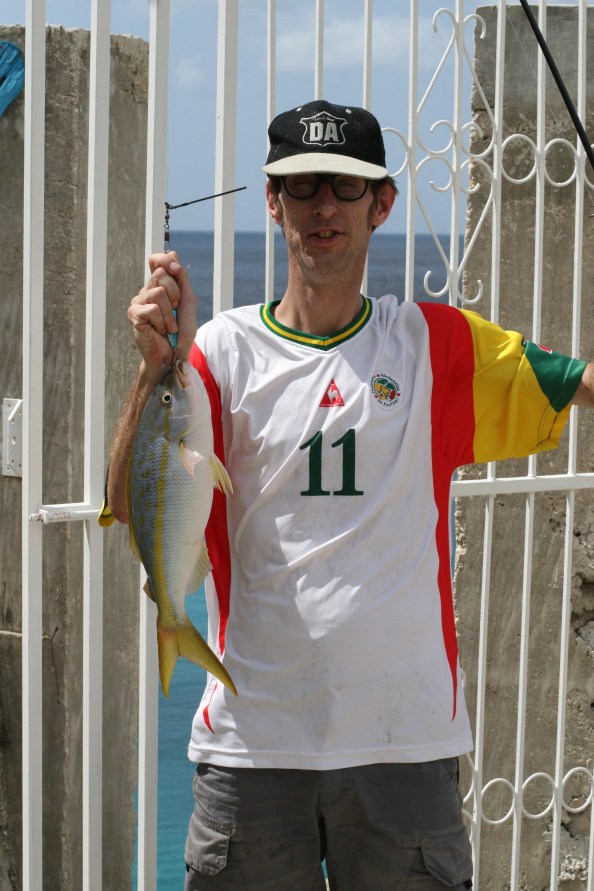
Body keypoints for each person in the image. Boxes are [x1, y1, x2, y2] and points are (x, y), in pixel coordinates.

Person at [107, 99, 594, 890]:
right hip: (253, 746)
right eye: (302, 186)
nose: (324, 206)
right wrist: (153, 368)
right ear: (274, 202)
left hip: (407, 746)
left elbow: (575, 382)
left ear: (382, 204)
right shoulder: (220, 352)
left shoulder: (433, 345)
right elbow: (130, 503)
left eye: (346, 185)